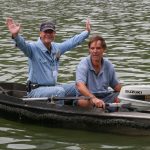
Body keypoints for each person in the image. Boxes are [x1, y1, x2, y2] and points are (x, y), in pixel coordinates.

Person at [6, 18, 90, 105]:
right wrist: (15, 35)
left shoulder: (57, 48)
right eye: (45, 32)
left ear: (54, 34)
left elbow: (72, 42)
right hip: (35, 91)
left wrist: (86, 32)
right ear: (40, 34)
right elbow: (22, 45)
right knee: (59, 91)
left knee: (78, 87)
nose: (48, 34)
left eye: (51, 32)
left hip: (53, 87)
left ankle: (77, 107)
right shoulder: (32, 48)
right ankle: (60, 115)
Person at [75, 35, 121, 109]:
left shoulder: (108, 65)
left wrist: (129, 93)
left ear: (104, 49)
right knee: (83, 102)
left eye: (98, 48)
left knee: (121, 96)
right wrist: (93, 99)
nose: (95, 51)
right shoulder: (83, 64)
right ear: (89, 50)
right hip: (87, 97)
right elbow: (80, 86)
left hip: (105, 96)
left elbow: (116, 86)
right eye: (92, 48)